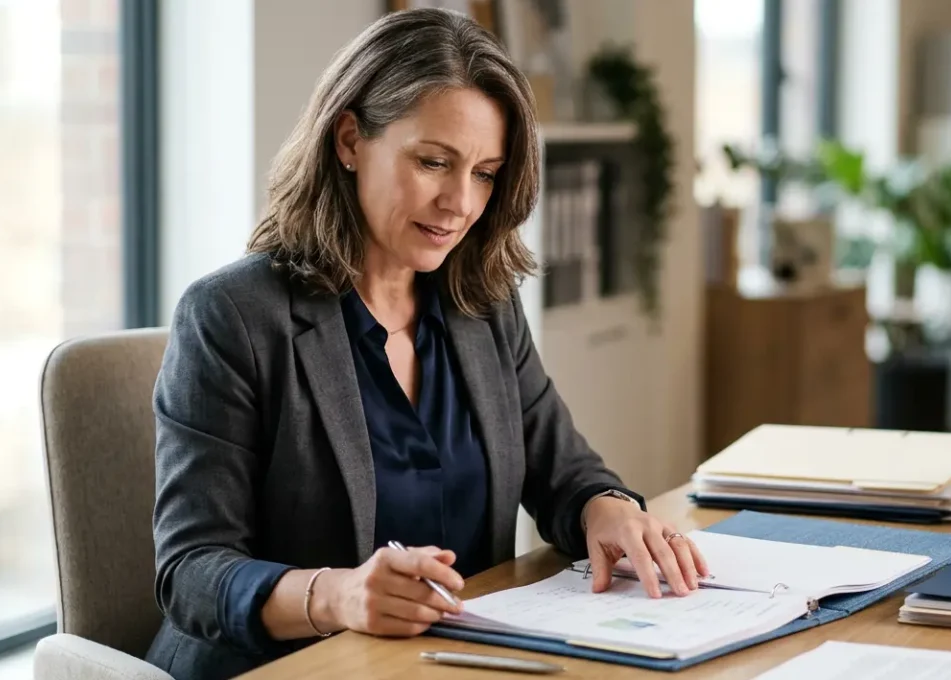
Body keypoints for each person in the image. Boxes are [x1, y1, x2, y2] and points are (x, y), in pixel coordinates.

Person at [144, 8, 709, 680]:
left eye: (485, 173)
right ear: (349, 140)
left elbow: (564, 472)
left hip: (446, 663)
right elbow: (191, 572)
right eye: (434, 162)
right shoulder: (232, 317)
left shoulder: (482, 305)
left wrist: (606, 508)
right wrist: (339, 595)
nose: (460, 203)